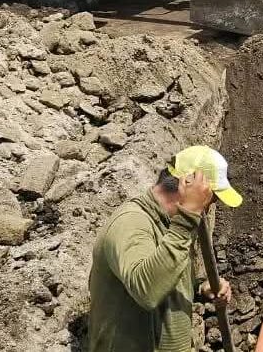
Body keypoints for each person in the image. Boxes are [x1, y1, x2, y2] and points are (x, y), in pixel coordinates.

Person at [88, 146, 243, 352]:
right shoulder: (132, 224)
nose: (207, 209)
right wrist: (188, 215)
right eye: (209, 200)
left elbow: (165, 272)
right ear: (186, 188)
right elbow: (147, 290)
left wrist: (199, 288)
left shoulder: (170, 224)